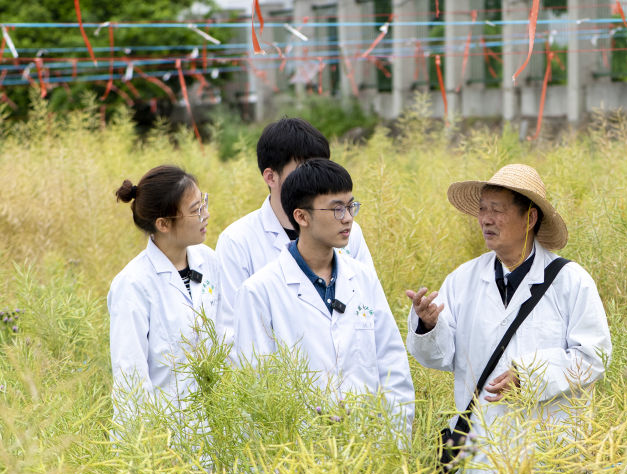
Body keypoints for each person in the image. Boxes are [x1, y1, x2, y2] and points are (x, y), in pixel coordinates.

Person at [405, 163, 612, 474]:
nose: (486, 219)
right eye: (483, 209)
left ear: (530, 217)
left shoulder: (570, 281)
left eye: (497, 210)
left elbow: (594, 356)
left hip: (547, 454)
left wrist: (531, 375)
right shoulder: (463, 280)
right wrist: (428, 324)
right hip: (480, 450)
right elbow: (440, 356)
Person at [233, 159, 414, 432]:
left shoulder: (362, 277)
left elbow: (392, 365)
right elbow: (255, 388)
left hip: (371, 444)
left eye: (351, 206)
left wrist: (395, 441)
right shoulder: (260, 291)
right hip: (300, 449)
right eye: (337, 209)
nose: (348, 218)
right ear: (301, 217)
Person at [215, 118, 373, 340]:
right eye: (304, 169)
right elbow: (232, 332)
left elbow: (369, 310)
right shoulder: (237, 241)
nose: (315, 177)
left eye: (321, 166)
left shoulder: (350, 233)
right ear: (271, 177)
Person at [108, 165, 219, 425]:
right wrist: (149, 442)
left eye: (203, 203)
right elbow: (131, 378)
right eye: (196, 210)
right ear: (163, 224)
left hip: (215, 426)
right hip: (164, 433)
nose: (206, 214)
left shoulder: (209, 260)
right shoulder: (133, 284)